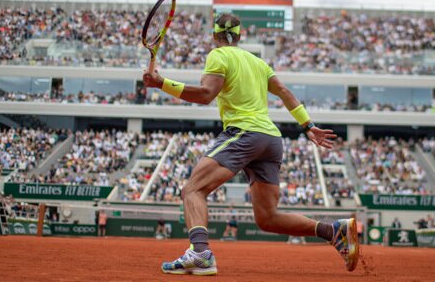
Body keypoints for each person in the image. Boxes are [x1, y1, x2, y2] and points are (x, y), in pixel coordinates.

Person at [143, 14, 359, 276]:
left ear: (215, 35)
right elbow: (285, 93)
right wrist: (308, 126)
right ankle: (333, 230)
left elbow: (205, 95)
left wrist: (161, 83)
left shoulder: (218, 55)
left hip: (244, 133)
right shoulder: (258, 62)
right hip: (270, 139)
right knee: (267, 218)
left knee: (193, 190)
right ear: (240, 35)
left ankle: (200, 253)